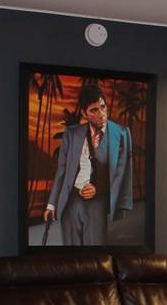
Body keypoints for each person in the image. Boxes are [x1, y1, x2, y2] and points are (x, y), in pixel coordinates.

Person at [43, 84, 134, 245]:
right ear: (84, 113)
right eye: (94, 110)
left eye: (103, 107)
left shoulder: (121, 134)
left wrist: (98, 189)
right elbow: (62, 171)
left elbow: (121, 174)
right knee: (71, 253)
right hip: (71, 201)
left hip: (96, 202)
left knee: (95, 252)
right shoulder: (72, 134)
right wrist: (51, 205)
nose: (101, 114)